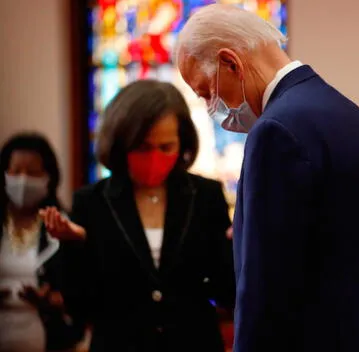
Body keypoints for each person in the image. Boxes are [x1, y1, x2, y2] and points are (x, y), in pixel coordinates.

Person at [175, 4, 359, 352]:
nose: (210, 108)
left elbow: (266, 289)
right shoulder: (348, 114)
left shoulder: (276, 132)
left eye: (206, 92)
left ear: (231, 63)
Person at [41, 80, 235, 351]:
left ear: (183, 143)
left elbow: (227, 291)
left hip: (192, 341)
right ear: (121, 143)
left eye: (166, 147)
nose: (155, 157)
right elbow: (79, 305)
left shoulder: (205, 194)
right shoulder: (92, 201)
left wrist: (237, 245)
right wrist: (76, 244)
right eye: (143, 147)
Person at [0, 133, 84, 352]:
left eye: (32, 172)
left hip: (50, 340)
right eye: (15, 171)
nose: (23, 180)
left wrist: (56, 300)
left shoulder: (64, 226)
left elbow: (83, 292)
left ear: (49, 178)